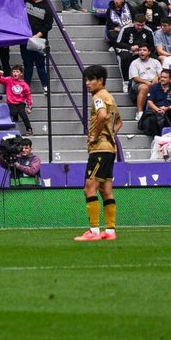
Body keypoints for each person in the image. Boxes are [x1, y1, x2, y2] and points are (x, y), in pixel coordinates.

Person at [75, 63, 120, 241]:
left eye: (91, 79)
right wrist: (110, 136)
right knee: (106, 189)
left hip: (99, 149)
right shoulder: (110, 97)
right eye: (86, 80)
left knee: (89, 188)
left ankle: (93, 231)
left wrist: (95, 136)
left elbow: (101, 115)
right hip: (109, 148)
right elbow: (118, 122)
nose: (87, 83)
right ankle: (109, 231)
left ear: (100, 81)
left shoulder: (98, 97)